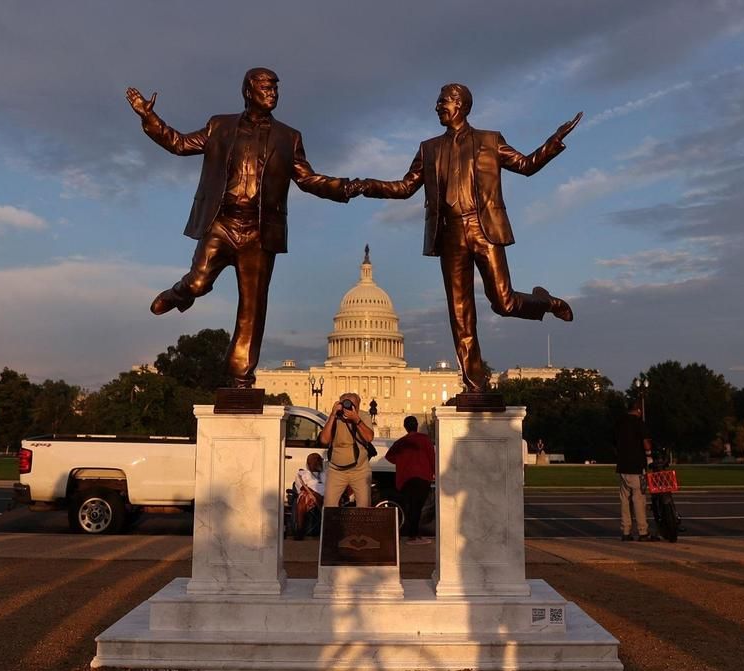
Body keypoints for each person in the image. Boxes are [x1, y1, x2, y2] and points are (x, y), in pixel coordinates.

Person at [126, 68, 352, 388]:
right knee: (199, 281)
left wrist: (346, 187)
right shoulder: (220, 125)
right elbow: (178, 144)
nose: (272, 92)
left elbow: (307, 179)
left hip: (260, 231)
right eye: (265, 87)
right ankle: (181, 293)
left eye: (275, 88)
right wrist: (149, 117)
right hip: (222, 222)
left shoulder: (289, 137)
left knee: (253, 305)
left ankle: (240, 376)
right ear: (248, 91)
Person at [348, 84, 581, 392]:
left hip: (484, 228)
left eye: (442, 101)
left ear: (460, 104)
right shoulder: (428, 149)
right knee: (460, 313)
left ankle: (544, 302)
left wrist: (554, 142)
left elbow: (526, 166)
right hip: (450, 234)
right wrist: (366, 185)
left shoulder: (490, 140)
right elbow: (405, 188)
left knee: (503, 302)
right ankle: (475, 384)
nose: (436, 107)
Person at [318, 392, 374, 510]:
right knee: (329, 507)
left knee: (364, 508)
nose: (350, 408)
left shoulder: (363, 416)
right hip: (336, 470)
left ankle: (360, 529)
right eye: (346, 404)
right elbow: (324, 440)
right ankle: (330, 528)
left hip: (360, 470)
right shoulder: (335, 417)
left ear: (358, 405)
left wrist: (356, 420)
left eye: (354, 405)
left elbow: (369, 438)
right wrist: (332, 415)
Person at [385, 415, 435, 544]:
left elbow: (389, 456)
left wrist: (401, 461)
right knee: (418, 507)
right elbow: (432, 456)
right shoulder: (425, 439)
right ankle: (414, 535)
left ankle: (412, 534)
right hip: (423, 476)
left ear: (405, 427)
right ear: (417, 425)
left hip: (406, 477)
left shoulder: (401, 442)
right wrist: (435, 472)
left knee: (411, 505)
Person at [615, 400, 657, 541]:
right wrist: (650, 451)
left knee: (624, 500)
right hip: (636, 466)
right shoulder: (639, 423)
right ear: (639, 410)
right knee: (639, 499)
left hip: (622, 466)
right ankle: (642, 531)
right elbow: (646, 444)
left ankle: (626, 531)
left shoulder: (620, 423)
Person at [292, 452, 325, 541]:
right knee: (303, 497)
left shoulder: (327, 474)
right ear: (308, 462)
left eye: (319, 460)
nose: (317, 462)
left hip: (326, 497)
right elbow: (302, 487)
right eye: (314, 460)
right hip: (309, 496)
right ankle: (300, 529)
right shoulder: (302, 473)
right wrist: (315, 495)